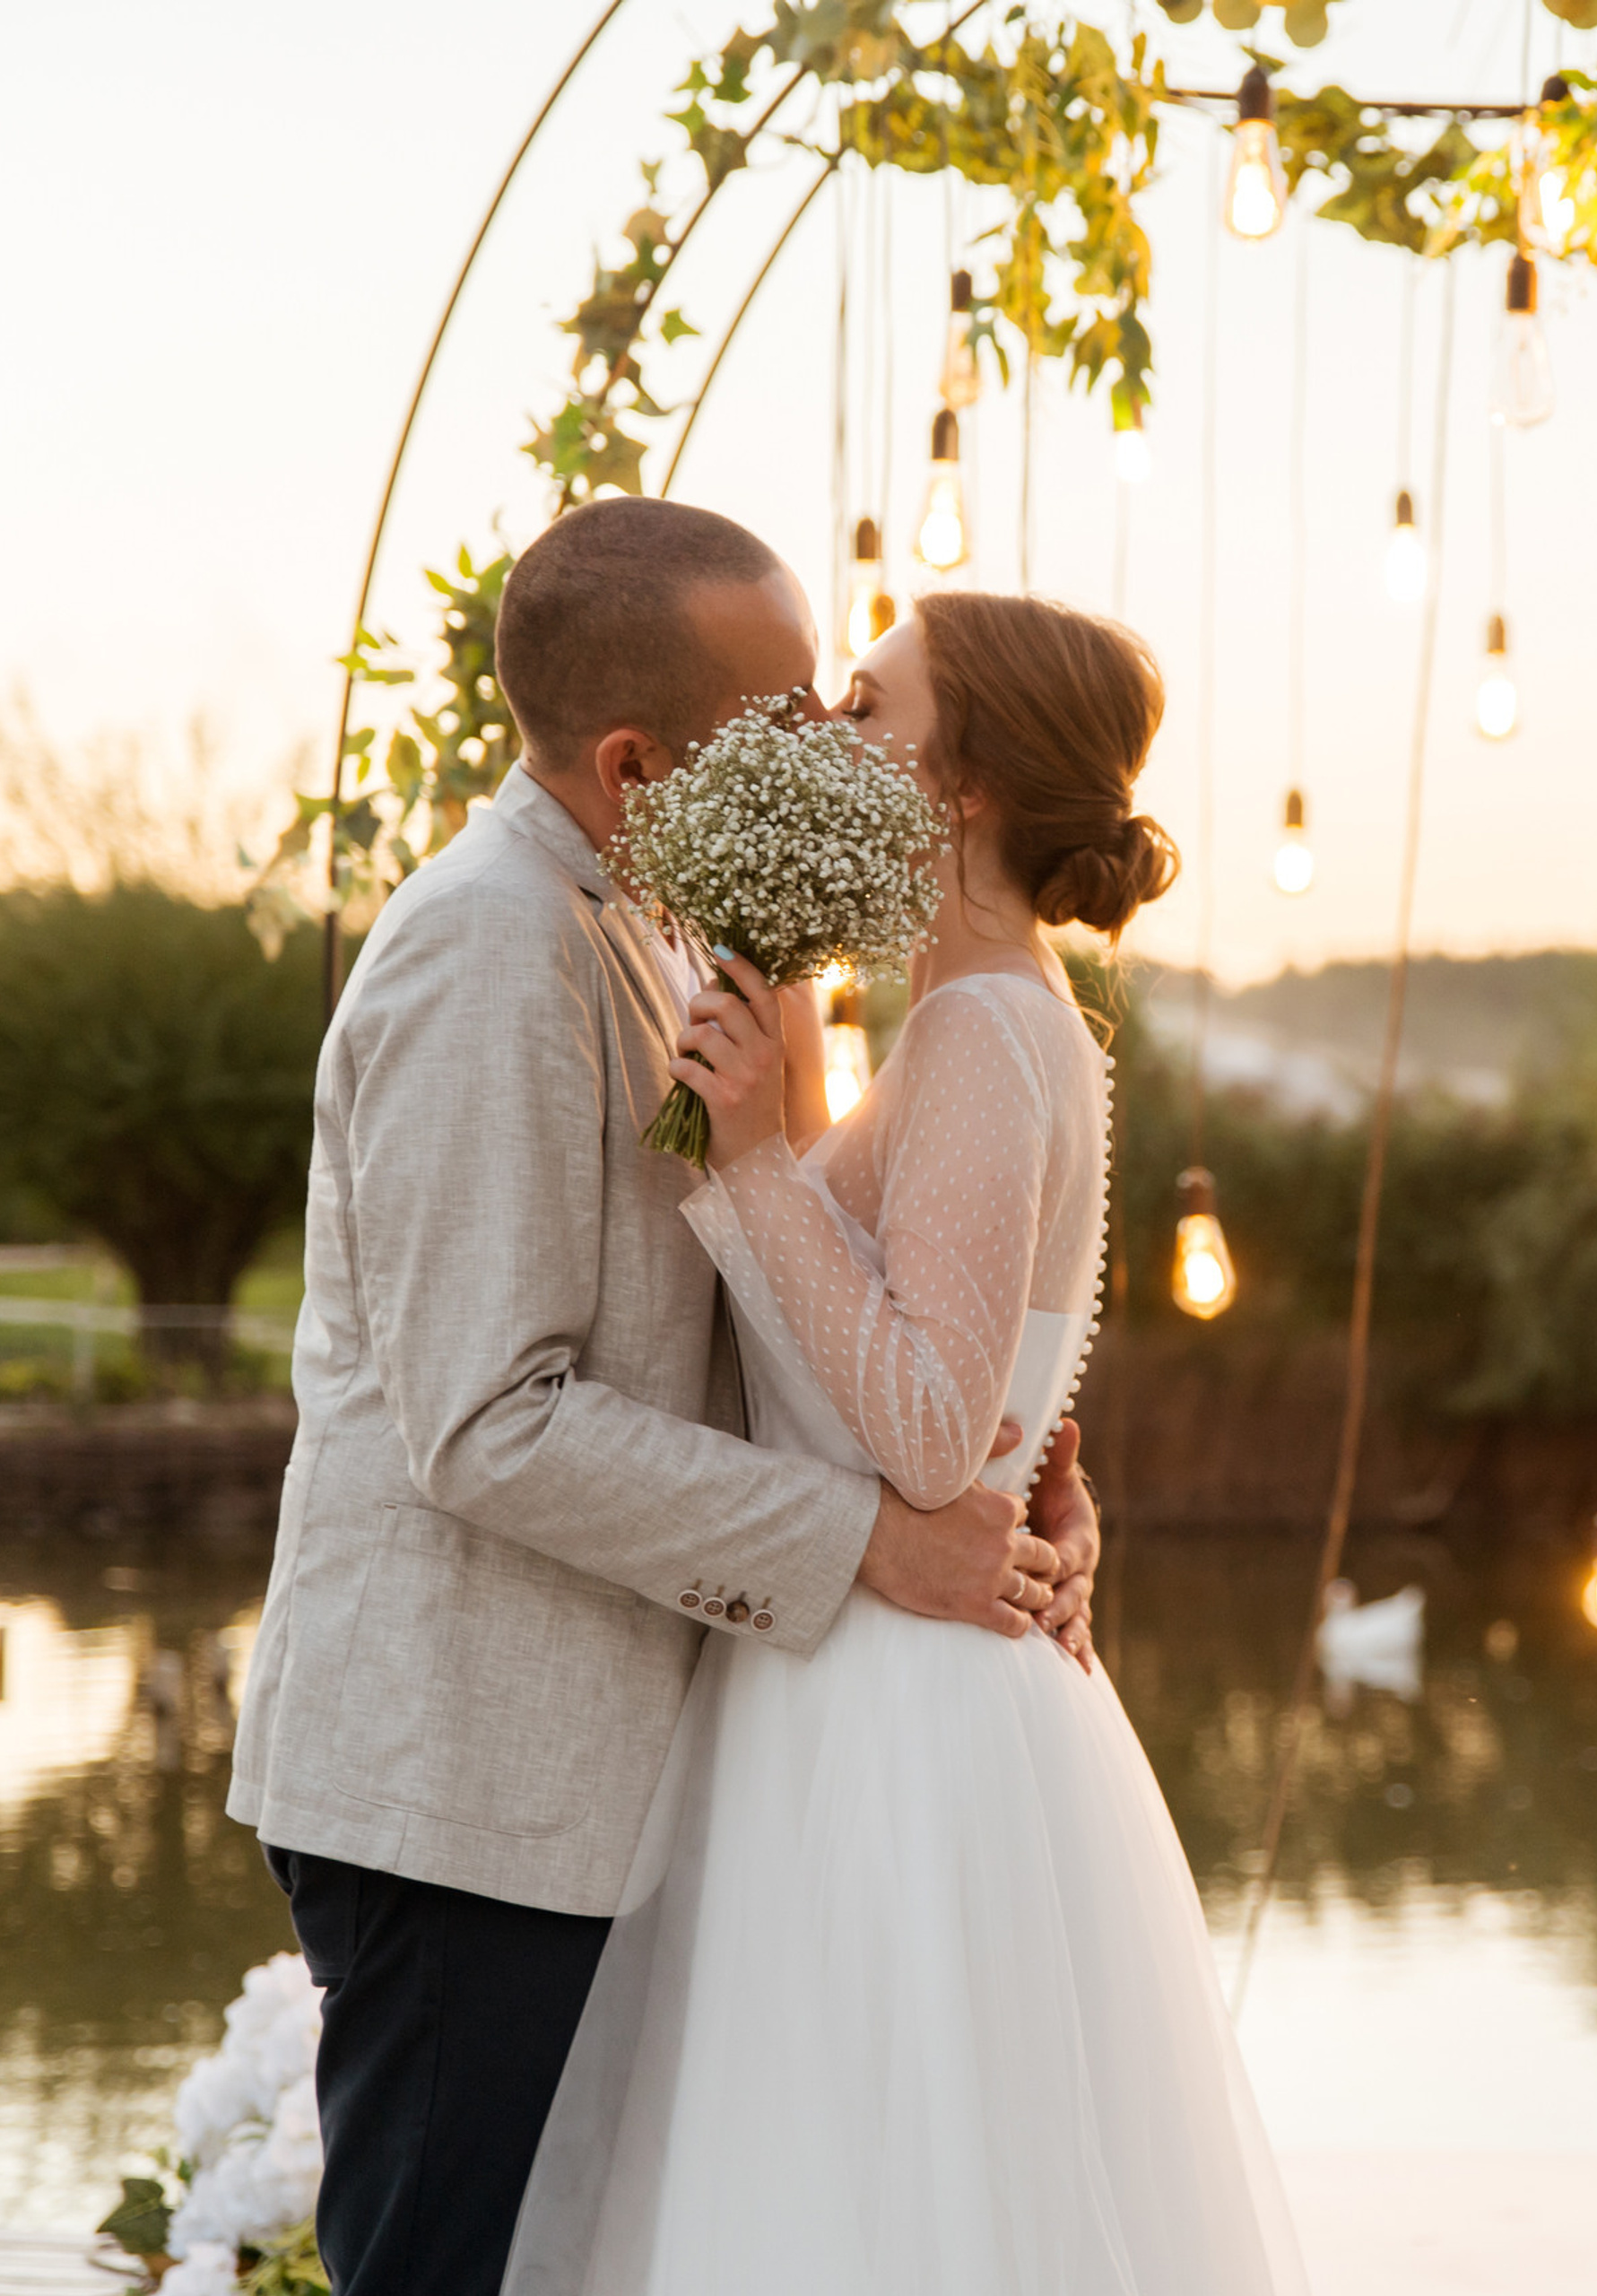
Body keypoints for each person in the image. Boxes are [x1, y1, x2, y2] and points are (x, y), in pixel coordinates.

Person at [226, 498, 1101, 2296]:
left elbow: (792, 1313)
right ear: (633, 762)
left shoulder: (652, 932)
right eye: (779, 717)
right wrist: (873, 1536)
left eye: (837, 707)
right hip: (470, 1775)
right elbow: (488, 1418)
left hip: (605, 1772)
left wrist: (1013, 1482)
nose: (812, 749)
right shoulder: (491, 948)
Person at [502, 589, 1307, 2292]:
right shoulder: (979, 1019)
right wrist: (767, 1127)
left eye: (870, 705)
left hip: (889, 1714)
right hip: (845, 1668)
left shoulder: (988, 1033)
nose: (827, 728)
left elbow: (939, 1432)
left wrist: (757, 1160)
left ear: (964, 785)